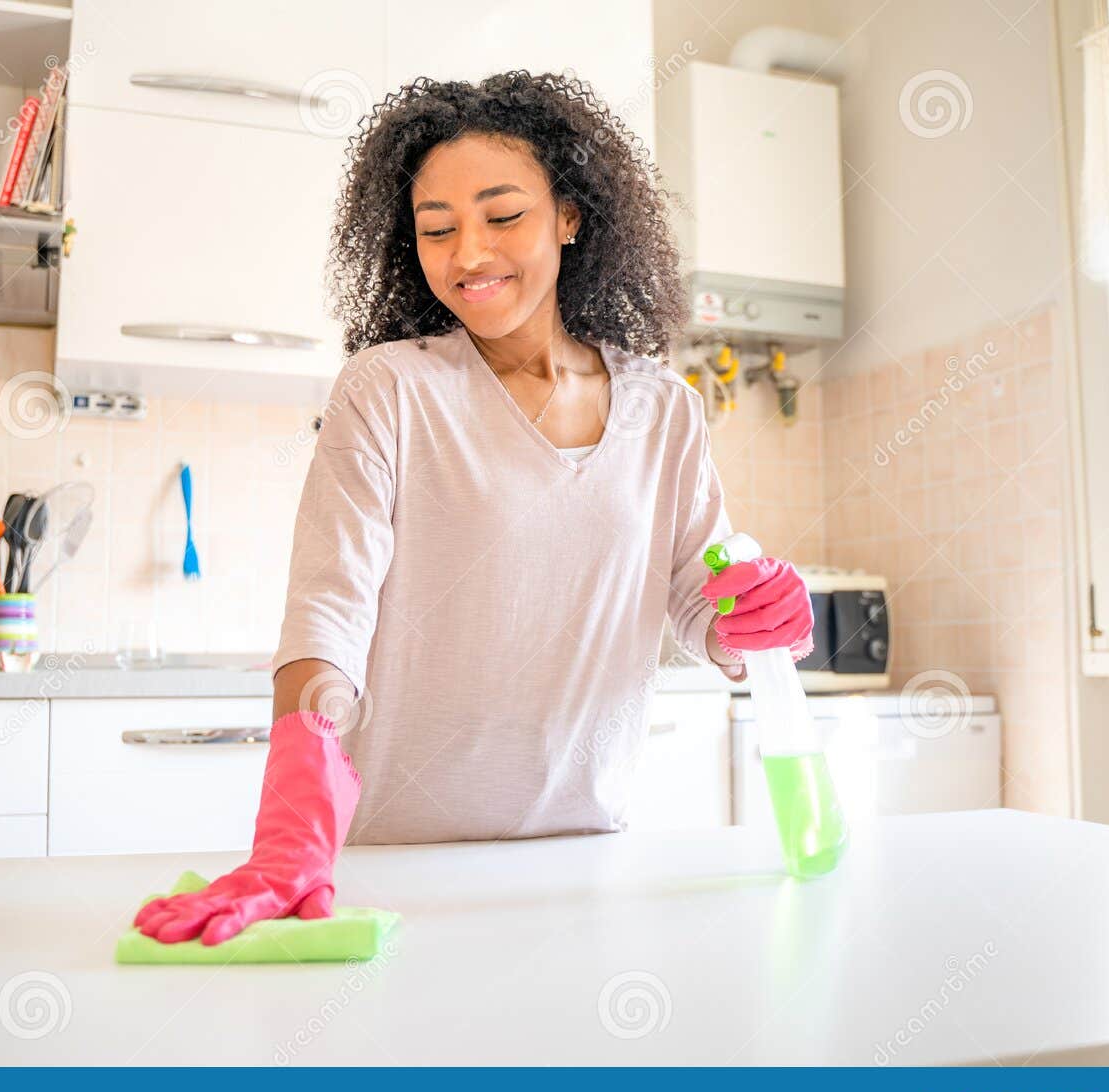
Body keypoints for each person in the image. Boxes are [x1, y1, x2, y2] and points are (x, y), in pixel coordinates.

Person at [135, 71, 814, 946]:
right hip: (399, 865)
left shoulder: (666, 410)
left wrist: (756, 616)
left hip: (585, 860)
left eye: (503, 216)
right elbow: (327, 612)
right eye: (437, 229)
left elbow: (704, 603)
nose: (469, 255)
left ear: (569, 216)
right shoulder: (389, 390)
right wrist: (293, 825)